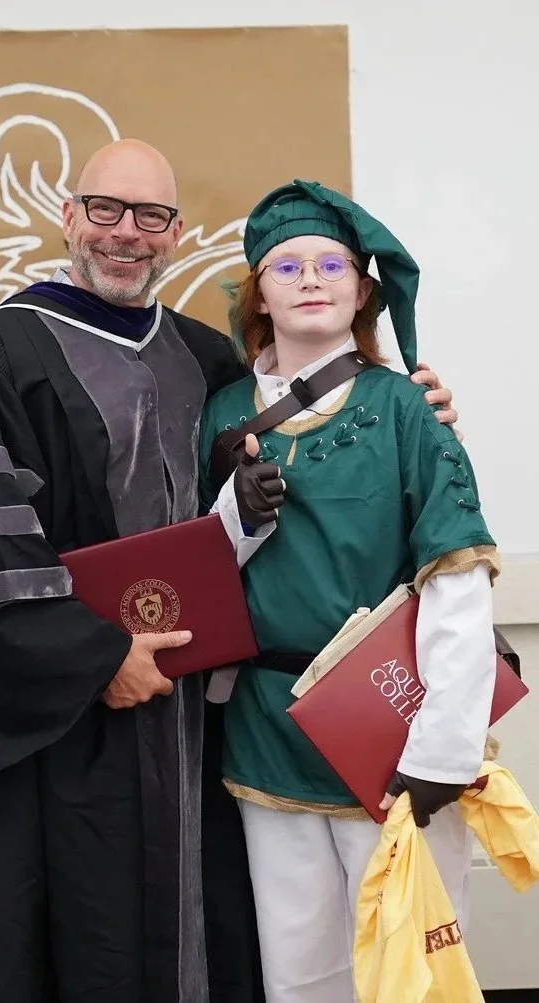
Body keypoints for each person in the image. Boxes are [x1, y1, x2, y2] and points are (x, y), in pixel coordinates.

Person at [0, 139, 456, 1003]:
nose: (126, 234)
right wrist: (97, 657)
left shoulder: (207, 361)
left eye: (150, 217)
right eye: (105, 210)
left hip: (207, 721)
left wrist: (416, 405)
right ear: (69, 217)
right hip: (67, 729)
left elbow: (327, 468)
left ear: (178, 233)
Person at [198, 178, 500, 1003]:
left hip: (392, 737)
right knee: (300, 971)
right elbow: (191, 579)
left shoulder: (405, 408)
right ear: (256, 289)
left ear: (363, 288)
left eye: (331, 262)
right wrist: (235, 515)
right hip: (268, 732)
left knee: (410, 970)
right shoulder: (222, 411)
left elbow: (457, 578)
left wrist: (443, 748)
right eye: (285, 264)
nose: (310, 278)